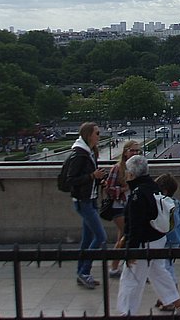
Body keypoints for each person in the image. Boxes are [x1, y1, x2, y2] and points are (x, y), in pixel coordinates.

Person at [116, 155, 180, 315]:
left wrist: (131, 250)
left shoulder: (137, 194)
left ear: (131, 174)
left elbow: (135, 225)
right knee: (159, 273)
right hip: (158, 239)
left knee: (131, 279)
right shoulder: (153, 187)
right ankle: (179, 306)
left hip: (144, 242)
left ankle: (126, 313)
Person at [63, 122, 108, 289]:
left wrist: (99, 179)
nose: (99, 136)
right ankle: (84, 271)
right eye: (97, 133)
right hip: (84, 202)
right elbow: (71, 180)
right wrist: (92, 176)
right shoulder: (80, 155)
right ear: (89, 135)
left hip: (90, 199)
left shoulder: (88, 152)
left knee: (87, 239)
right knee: (101, 237)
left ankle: (81, 273)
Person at [106, 140, 141, 278]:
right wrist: (124, 189)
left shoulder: (137, 168)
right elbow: (109, 189)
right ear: (125, 152)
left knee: (122, 237)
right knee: (127, 235)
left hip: (130, 207)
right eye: (132, 150)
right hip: (119, 207)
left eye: (137, 151)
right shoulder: (117, 168)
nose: (135, 153)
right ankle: (130, 266)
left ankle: (116, 267)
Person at [155, 173, 180, 288]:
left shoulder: (165, 205)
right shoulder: (177, 203)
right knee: (168, 265)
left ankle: (172, 289)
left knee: (165, 268)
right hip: (176, 239)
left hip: (167, 240)